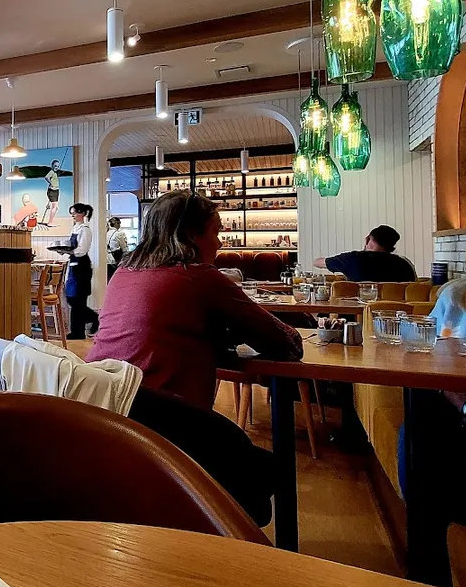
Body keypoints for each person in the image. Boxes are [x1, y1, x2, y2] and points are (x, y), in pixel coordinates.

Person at [88, 191, 304, 525]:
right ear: (192, 234)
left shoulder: (124, 272)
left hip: (100, 411)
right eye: (215, 232)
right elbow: (286, 342)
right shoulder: (199, 276)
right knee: (265, 473)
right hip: (161, 422)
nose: (220, 242)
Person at [398, 204, 466, 555]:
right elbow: (423, 347)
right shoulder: (456, 297)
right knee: (422, 413)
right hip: (454, 407)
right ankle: (427, 557)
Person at [50, 203, 97, 339]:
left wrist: (68, 251)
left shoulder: (85, 230)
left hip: (82, 266)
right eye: (72, 213)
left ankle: (78, 332)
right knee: (71, 297)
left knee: (79, 299)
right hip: (74, 265)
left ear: (83, 213)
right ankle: (92, 318)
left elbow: (82, 250)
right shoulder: (75, 228)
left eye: (75, 213)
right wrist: (63, 250)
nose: (73, 216)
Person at [315, 225, 416, 282]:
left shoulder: (353, 259)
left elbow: (317, 263)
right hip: (398, 312)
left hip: (357, 312)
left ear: (368, 239)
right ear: (391, 248)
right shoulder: (405, 264)